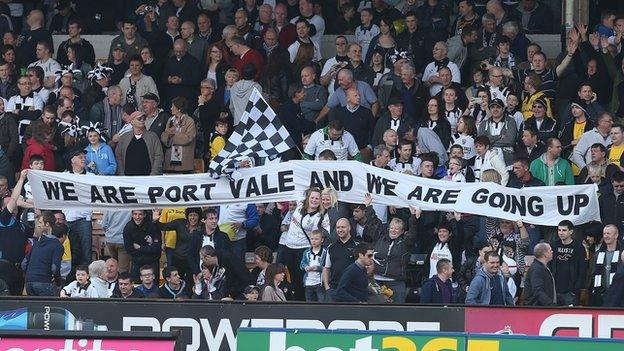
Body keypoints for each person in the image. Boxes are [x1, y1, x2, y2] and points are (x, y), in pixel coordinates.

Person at [23, 209, 63, 296]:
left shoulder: (36, 243)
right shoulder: (57, 245)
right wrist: (59, 284)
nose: (38, 225)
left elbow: (24, 263)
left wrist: (29, 276)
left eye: (40, 222)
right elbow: (54, 268)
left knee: (33, 309)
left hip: (28, 282)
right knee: (50, 308)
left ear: (47, 224)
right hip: (44, 282)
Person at [115, 110, 164, 176]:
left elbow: (158, 156)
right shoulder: (124, 137)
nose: (142, 120)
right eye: (139, 119)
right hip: (127, 179)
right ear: (132, 122)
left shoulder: (152, 136)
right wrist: (121, 174)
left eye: (143, 118)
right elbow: (119, 156)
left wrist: (153, 174)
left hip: (148, 179)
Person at [550, 220, 587, 305]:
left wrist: (576, 289)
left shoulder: (578, 247)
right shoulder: (554, 245)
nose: (561, 233)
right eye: (559, 230)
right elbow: (549, 265)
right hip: (555, 289)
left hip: (571, 290)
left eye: (564, 230)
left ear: (571, 231)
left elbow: (582, 269)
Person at [123, 210, 161, 283]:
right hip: (137, 263)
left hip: (152, 261)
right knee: (137, 287)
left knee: (153, 288)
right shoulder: (128, 228)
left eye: (140, 214)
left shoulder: (153, 226)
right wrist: (148, 249)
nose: (137, 217)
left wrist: (140, 248)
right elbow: (129, 249)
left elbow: (156, 248)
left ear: (144, 215)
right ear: (132, 215)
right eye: (135, 214)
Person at [590, 224, 623, 306]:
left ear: (616, 235)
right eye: (604, 234)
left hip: (619, 295)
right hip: (601, 295)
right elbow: (593, 274)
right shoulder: (598, 254)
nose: (606, 236)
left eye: (609, 233)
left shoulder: (622, 253)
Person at [162, 97, 196, 173]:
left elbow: (188, 138)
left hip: (184, 163)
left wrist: (174, 134)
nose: (171, 108)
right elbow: (164, 137)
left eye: (173, 106)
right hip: (170, 162)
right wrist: (167, 135)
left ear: (179, 108)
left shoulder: (190, 121)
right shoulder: (170, 120)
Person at [300, 230, 327, 302]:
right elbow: (302, 264)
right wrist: (305, 267)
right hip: (308, 282)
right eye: (312, 239)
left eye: (316, 239)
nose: (313, 241)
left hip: (320, 283)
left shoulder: (325, 252)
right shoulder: (307, 252)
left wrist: (318, 268)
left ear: (322, 240)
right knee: (309, 303)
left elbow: (327, 266)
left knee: (322, 302)